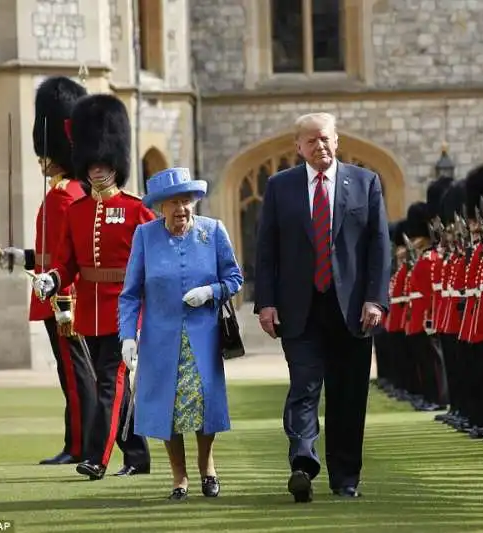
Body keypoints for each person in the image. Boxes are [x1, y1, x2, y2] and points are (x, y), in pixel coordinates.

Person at [254, 112, 391, 502]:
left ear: (338, 140)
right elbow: (267, 250)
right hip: (300, 308)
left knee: (348, 396)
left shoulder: (366, 183)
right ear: (298, 147)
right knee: (303, 389)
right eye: (311, 141)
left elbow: (379, 247)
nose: (321, 146)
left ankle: (345, 478)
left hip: (352, 310)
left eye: (326, 138)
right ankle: (302, 463)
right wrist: (265, 302)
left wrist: (376, 298)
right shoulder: (280, 187)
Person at [31, 93, 152, 480]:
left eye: (104, 164)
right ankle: (137, 455)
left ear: (116, 164)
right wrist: (52, 278)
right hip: (89, 309)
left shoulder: (136, 210)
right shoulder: (79, 210)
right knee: (115, 384)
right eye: (92, 165)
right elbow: (67, 261)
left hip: (125, 307)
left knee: (109, 381)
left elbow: (155, 256)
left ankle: (97, 457)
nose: (98, 171)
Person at [119, 167, 243, 500]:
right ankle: (179, 477)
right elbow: (130, 293)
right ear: (160, 207)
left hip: (203, 337)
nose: (181, 209)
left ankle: (207, 467)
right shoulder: (145, 236)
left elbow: (234, 279)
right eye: (173, 203)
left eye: (186, 201)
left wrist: (210, 292)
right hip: (160, 340)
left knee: (205, 406)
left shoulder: (213, 231)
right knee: (168, 408)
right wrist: (128, 336)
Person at [0, 76, 96, 465]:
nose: (42, 160)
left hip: (62, 299)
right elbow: (50, 253)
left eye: (46, 153)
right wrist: (21, 257)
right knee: (71, 373)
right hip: (58, 292)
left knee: (74, 375)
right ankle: (78, 442)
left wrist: (58, 290)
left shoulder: (63, 196)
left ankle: (80, 446)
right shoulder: (68, 194)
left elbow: (65, 258)